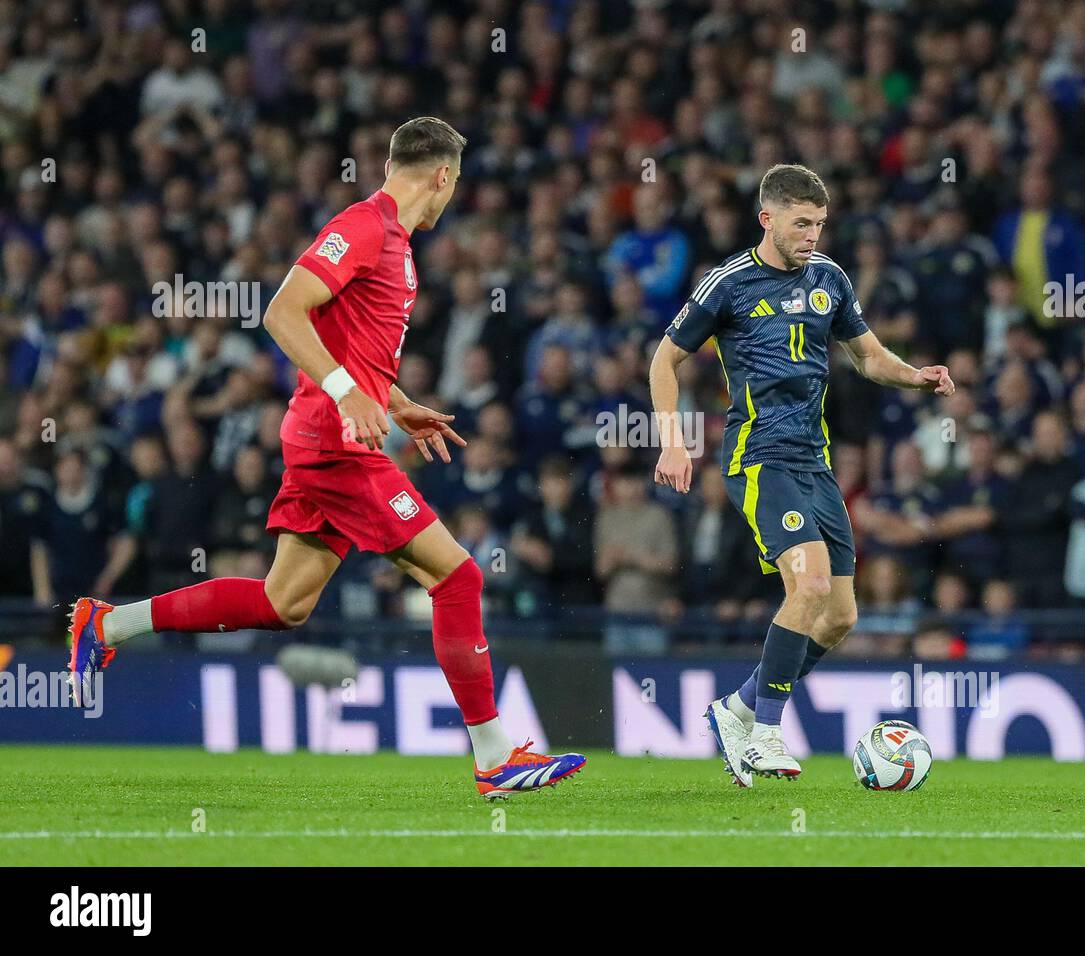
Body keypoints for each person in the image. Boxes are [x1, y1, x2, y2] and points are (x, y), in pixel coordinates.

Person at [65, 117, 585, 799]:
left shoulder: (395, 241)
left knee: (285, 603)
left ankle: (108, 623)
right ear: (442, 175)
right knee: (458, 578)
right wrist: (348, 396)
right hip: (334, 444)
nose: (452, 196)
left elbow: (351, 344)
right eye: (455, 184)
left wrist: (392, 400)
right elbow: (282, 312)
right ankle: (495, 756)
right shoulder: (367, 227)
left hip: (328, 436)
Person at [649, 163, 954, 785]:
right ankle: (764, 732)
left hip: (815, 462)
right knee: (808, 585)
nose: (813, 234)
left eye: (819, 222)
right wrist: (674, 442)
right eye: (801, 222)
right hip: (758, 456)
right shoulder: (727, 284)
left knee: (841, 615)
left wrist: (914, 375)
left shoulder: (830, 281)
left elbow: (867, 356)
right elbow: (664, 359)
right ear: (768, 219)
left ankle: (734, 710)